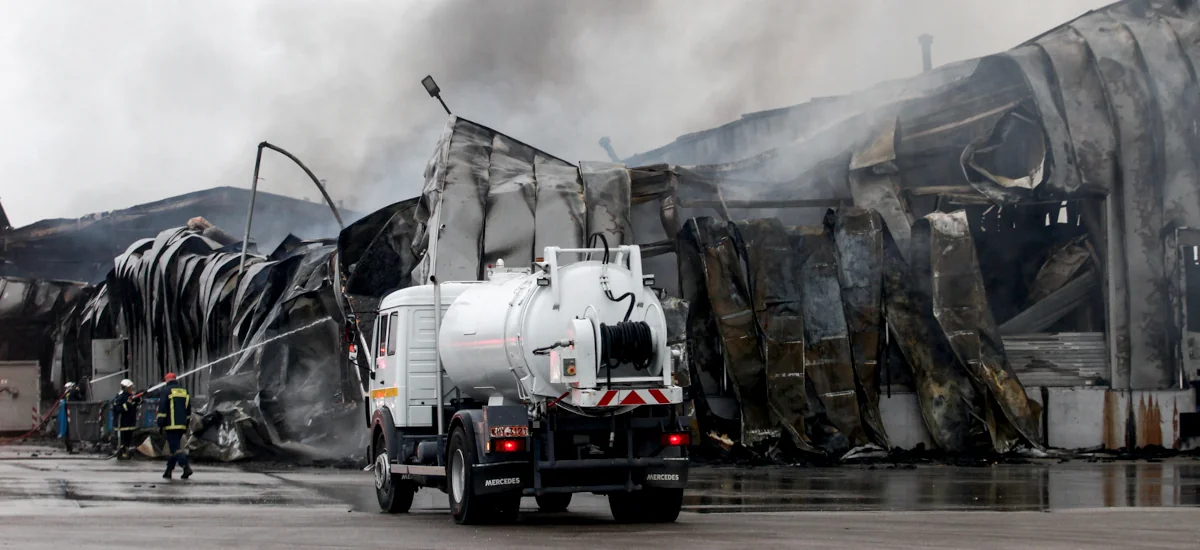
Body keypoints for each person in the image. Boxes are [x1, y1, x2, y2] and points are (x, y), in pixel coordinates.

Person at [155, 373, 193, 479]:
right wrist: (186, 424)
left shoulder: (166, 391)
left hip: (171, 425)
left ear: (167, 380)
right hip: (182, 425)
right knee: (173, 449)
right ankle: (168, 471)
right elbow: (188, 410)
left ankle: (186, 467)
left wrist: (160, 424)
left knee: (176, 449)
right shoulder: (184, 391)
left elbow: (162, 410)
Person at [112, 379, 142, 460]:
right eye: (130, 387)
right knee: (123, 440)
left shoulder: (130, 396)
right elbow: (118, 409)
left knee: (129, 439)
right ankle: (122, 453)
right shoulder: (120, 397)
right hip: (122, 423)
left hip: (130, 422)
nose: (131, 389)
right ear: (125, 388)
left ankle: (125, 452)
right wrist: (128, 403)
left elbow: (136, 404)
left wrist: (137, 399)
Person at [60, 381, 85, 454]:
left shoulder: (65, 394)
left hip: (67, 415)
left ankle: (68, 447)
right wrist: (78, 390)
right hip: (73, 415)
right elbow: (81, 399)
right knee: (71, 431)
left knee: (67, 431)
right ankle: (70, 447)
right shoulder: (73, 392)